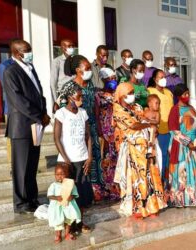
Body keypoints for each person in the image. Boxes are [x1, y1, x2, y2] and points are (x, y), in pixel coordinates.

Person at [3, 39, 50, 213]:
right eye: (26, 50)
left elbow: (39, 93)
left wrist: (44, 112)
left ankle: (32, 199)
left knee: (31, 166)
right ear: (16, 53)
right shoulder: (10, 72)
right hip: (21, 127)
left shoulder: (30, 68)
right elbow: (18, 100)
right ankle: (21, 203)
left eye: (30, 49)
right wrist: (39, 116)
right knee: (21, 168)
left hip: (35, 126)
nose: (30, 53)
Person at [113, 82, 167, 218]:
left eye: (132, 93)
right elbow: (134, 125)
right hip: (132, 150)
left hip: (147, 146)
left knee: (150, 176)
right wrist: (149, 123)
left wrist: (147, 124)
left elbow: (142, 119)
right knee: (136, 179)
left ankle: (152, 207)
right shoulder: (118, 110)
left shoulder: (136, 106)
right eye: (129, 94)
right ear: (121, 96)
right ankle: (138, 209)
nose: (132, 96)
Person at [60, 55, 102, 205]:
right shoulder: (68, 87)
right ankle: (81, 194)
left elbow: (95, 105)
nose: (90, 71)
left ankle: (95, 190)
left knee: (95, 158)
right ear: (78, 70)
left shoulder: (90, 84)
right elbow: (62, 110)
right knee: (81, 163)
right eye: (87, 68)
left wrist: (98, 125)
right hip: (77, 130)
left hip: (92, 127)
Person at [54, 81, 93, 233]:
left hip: (82, 159)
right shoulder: (61, 114)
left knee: (82, 195)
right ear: (70, 97)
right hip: (67, 162)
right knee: (67, 196)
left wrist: (89, 157)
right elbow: (57, 138)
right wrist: (66, 159)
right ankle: (68, 226)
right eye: (79, 96)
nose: (81, 98)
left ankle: (80, 222)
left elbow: (88, 136)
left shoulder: (83, 113)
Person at [168, 84, 196, 207]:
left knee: (193, 172)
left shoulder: (192, 108)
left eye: (188, 93)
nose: (187, 96)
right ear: (179, 96)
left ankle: (194, 198)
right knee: (182, 174)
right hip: (181, 147)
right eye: (184, 94)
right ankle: (181, 200)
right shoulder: (175, 110)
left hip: (194, 145)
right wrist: (187, 143)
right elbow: (174, 130)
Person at [94, 67, 120, 201]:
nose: (113, 81)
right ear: (104, 79)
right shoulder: (98, 95)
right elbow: (97, 114)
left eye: (114, 78)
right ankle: (107, 189)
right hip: (105, 130)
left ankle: (118, 189)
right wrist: (100, 132)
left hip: (117, 130)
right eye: (111, 78)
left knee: (117, 159)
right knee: (107, 160)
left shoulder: (118, 94)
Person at [148, 69, 174, 188]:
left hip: (170, 130)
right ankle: (160, 183)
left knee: (169, 157)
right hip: (159, 130)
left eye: (165, 77)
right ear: (154, 79)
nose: (163, 79)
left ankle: (168, 182)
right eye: (160, 77)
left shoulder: (168, 92)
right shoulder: (150, 91)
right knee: (161, 156)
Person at [47, 164, 81, 243]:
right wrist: (56, 197)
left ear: (67, 174)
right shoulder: (53, 185)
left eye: (62, 174)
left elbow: (75, 194)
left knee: (68, 220)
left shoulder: (70, 184)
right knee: (58, 221)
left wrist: (71, 197)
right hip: (57, 207)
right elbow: (49, 195)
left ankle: (67, 233)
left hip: (68, 206)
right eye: (57, 174)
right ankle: (58, 235)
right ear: (55, 175)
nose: (59, 176)